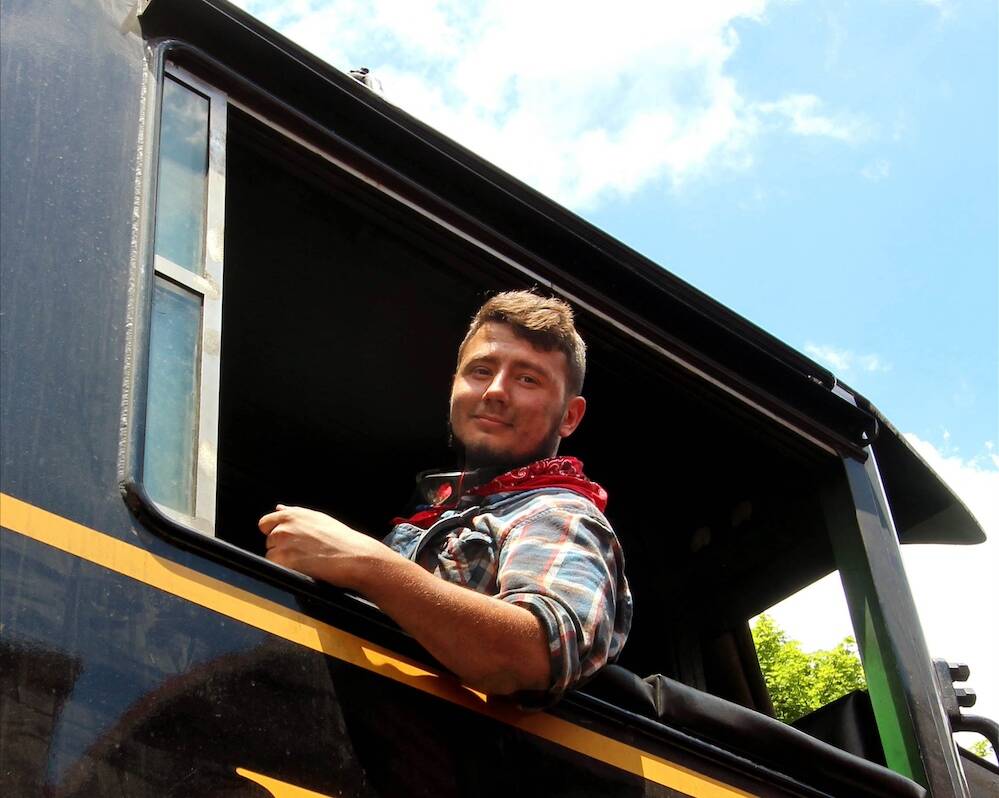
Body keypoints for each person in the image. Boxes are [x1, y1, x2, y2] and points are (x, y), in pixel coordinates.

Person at [259, 291, 632, 701]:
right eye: (481, 371)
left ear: (570, 416)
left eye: (528, 378)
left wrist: (362, 562)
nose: (495, 391)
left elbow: (535, 653)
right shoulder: (440, 511)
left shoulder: (558, 512)